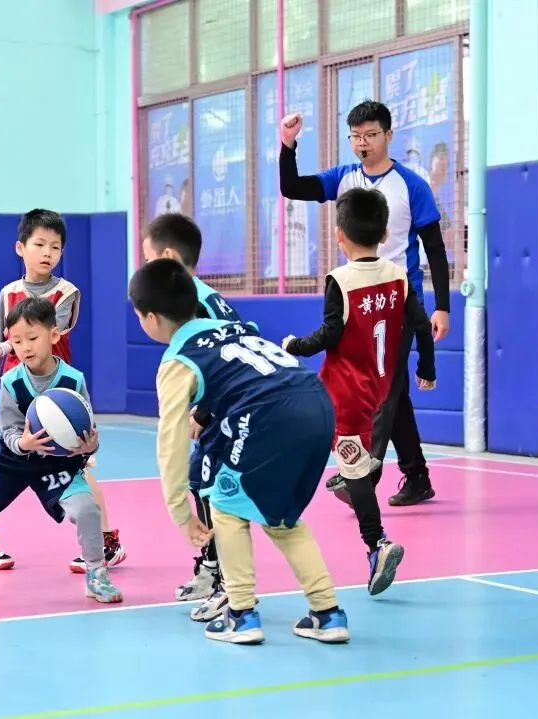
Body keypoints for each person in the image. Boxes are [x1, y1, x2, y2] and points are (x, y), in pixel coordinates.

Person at [130, 258, 348, 645]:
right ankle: (327, 613)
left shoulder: (178, 361)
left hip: (270, 415)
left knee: (226, 508)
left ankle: (241, 614)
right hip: (317, 403)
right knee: (281, 520)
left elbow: (171, 440)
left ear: (150, 318)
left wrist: (180, 511)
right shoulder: (235, 328)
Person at [279, 100, 444, 508]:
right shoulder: (343, 178)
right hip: (358, 302)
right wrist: (287, 144)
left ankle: (363, 475)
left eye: (371, 135)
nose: (362, 143)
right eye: (355, 136)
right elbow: (292, 188)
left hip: (398, 302)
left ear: (389, 135)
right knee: (393, 389)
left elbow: (435, 248)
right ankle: (417, 476)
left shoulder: (412, 185)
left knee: (385, 386)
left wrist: (442, 306)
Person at [0, 296, 123, 603]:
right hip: (13, 458)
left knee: (87, 509)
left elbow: (88, 429)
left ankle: (96, 572)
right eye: (17, 342)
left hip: (56, 462)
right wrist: (23, 444)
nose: (25, 347)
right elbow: (8, 430)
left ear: (54, 335)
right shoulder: (11, 381)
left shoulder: (73, 380)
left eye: (32, 338)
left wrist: (89, 446)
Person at [282, 188, 429, 595]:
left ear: (338, 235)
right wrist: (427, 367)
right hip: (378, 388)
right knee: (325, 439)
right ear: (384, 234)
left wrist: (295, 345)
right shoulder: (398, 276)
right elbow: (419, 324)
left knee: (355, 471)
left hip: (347, 395)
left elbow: (330, 333)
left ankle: (377, 544)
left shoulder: (341, 281)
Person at [0, 209, 125, 574]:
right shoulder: (8, 294)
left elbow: (45, 329)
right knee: (4, 465)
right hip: (19, 395)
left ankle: (106, 542)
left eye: (55, 247)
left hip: (57, 396)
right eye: (39, 244)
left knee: (78, 465)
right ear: (20, 248)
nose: (47, 253)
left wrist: (5, 346)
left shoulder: (66, 293)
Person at [141, 212, 253, 621]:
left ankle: (226, 584)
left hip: (233, 411)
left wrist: (204, 412)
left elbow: (231, 355)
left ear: (169, 257)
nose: (144, 267)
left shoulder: (198, 303)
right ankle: (211, 567)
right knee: (198, 478)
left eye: (148, 259)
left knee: (213, 488)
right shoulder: (203, 295)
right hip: (229, 407)